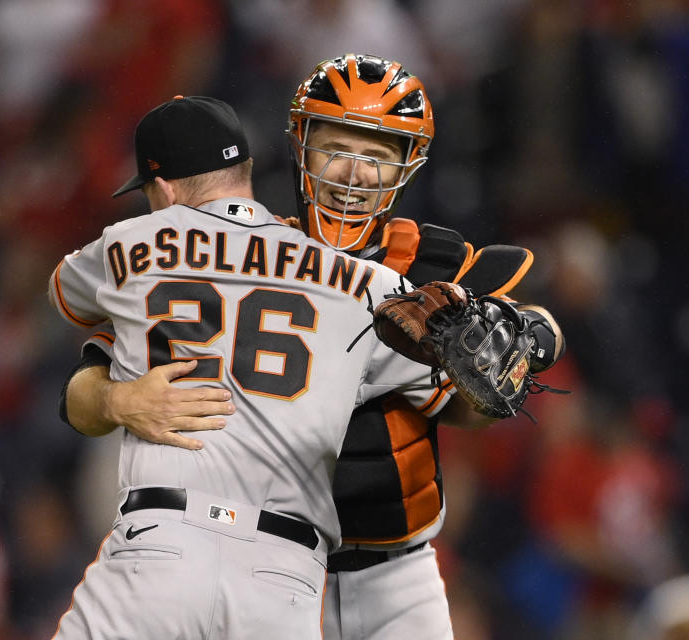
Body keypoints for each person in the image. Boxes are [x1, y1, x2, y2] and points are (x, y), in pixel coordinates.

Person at [59, 55, 565, 640]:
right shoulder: (242, 245)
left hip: (394, 571)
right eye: (337, 149)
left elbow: (486, 379)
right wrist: (118, 401)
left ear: (409, 165)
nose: (353, 174)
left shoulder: (434, 264)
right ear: (301, 146)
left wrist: (529, 338)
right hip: (265, 560)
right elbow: (92, 370)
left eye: (377, 156)